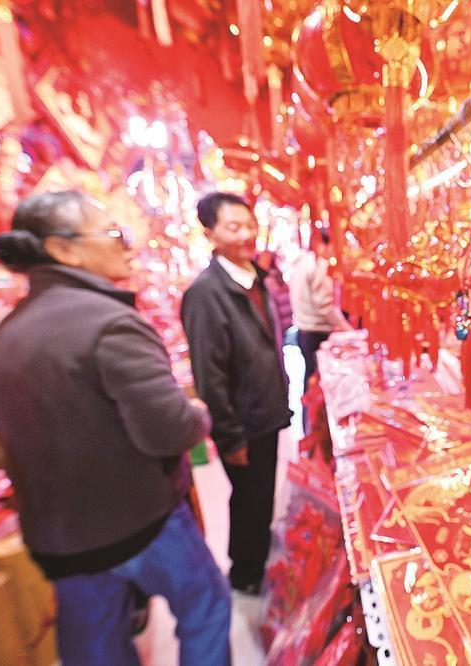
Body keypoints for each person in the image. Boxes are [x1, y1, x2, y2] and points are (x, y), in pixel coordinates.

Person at [0, 191, 231, 666]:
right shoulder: (109, 323)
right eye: (115, 234)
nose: (126, 246)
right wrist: (199, 412)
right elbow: (168, 431)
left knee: (97, 647)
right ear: (63, 249)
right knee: (205, 608)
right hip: (139, 523)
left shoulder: (6, 333)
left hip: (58, 538)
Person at [181, 192, 291, 595]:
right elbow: (209, 375)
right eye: (233, 227)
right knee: (249, 498)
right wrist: (229, 436)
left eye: (249, 225)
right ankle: (245, 573)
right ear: (210, 233)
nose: (246, 234)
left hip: (266, 410)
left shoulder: (256, 278)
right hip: (244, 421)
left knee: (260, 494)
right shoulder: (206, 293)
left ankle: (254, 554)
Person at [288, 236, 354, 391]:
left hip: (304, 330)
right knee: (316, 383)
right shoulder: (318, 266)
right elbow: (324, 306)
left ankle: (306, 406)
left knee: (310, 379)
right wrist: (348, 330)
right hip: (316, 333)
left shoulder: (303, 261)